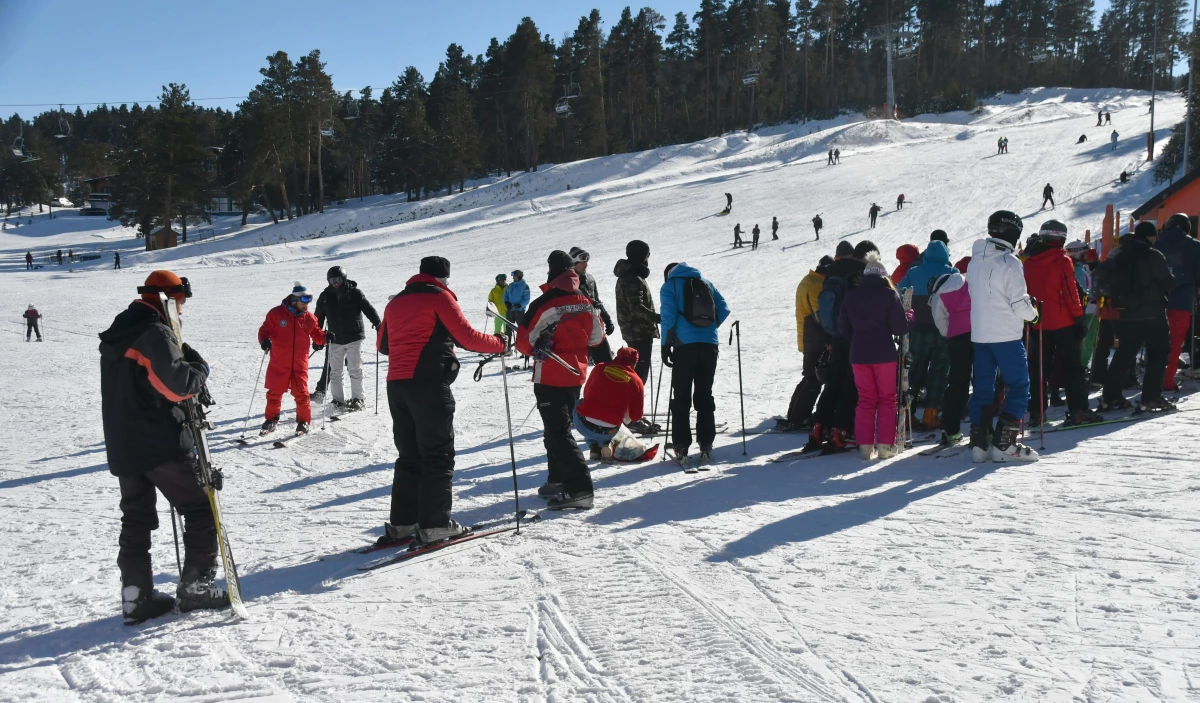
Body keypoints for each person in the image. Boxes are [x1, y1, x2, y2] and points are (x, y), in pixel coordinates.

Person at [98, 270, 228, 624]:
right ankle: (196, 589)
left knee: (136, 517)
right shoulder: (153, 332)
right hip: (158, 441)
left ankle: (135, 597)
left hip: (124, 443)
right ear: (167, 299)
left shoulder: (121, 330)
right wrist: (199, 368)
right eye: (181, 300)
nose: (183, 308)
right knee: (200, 507)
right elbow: (178, 386)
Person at [374, 256, 505, 545]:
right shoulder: (439, 297)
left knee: (409, 456)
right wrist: (499, 343)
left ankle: (403, 524)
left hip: (397, 385)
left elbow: (382, 345)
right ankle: (435, 524)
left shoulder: (395, 302)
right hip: (428, 383)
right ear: (443, 278)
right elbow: (467, 337)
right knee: (437, 454)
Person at [517, 251, 606, 509]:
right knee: (557, 428)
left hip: (551, 374)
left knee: (558, 432)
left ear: (551, 271)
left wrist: (545, 343)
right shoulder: (586, 301)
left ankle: (580, 489)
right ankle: (558, 480)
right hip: (576, 373)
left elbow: (523, 342)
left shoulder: (547, 302)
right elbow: (596, 338)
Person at [966, 211, 1040, 462]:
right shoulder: (1009, 263)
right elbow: (1019, 304)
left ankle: (979, 444)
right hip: (1006, 335)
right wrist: (1034, 314)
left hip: (980, 334)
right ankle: (1004, 445)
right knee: (1019, 385)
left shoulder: (974, 262)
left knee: (983, 389)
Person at [1022, 220, 1102, 425]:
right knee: (1073, 368)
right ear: (1060, 238)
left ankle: (1037, 412)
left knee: (1039, 369)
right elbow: (1070, 292)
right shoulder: (1062, 260)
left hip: (1038, 321)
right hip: (1063, 321)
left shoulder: (1029, 262)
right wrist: (1078, 318)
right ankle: (1078, 411)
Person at [1096, 221, 1176, 413]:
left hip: (1124, 314)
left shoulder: (1120, 255)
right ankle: (1151, 398)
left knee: (1124, 354)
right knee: (1157, 354)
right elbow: (1167, 281)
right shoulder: (1153, 255)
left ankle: (1111, 397)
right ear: (1149, 237)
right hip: (1152, 314)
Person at [839, 256, 911, 459]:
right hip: (884, 354)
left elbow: (843, 329)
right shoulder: (889, 295)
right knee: (887, 399)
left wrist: (858, 339)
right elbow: (900, 327)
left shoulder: (850, 296)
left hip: (858, 354)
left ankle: (865, 446)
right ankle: (885, 445)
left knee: (865, 400)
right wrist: (910, 317)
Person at [660, 261, 730, 468]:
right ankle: (706, 442)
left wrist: (666, 345)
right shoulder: (706, 283)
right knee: (704, 392)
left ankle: (682, 444)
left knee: (681, 395)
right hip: (710, 345)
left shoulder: (670, 286)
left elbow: (669, 317)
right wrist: (707, 328)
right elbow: (724, 309)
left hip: (684, 346)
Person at [809, 241, 877, 451]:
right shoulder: (861, 273)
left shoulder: (834, 270)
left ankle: (820, 426)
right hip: (855, 335)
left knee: (834, 382)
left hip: (835, 334)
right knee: (852, 383)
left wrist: (828, 337)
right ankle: (842, 429)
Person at [899, 239, 956, 430]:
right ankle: (931, 414)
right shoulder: (952, 273)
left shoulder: (913, 273)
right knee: (939, 372)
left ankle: (908, 413)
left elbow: (900, 294)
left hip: (918, 332)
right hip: (944, 331)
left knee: (914, 373)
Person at [257, 282, 327, 435]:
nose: (307, 305)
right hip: (279, 361)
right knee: (274, 392)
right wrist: (264, 341)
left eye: (309, 301)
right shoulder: (276, 314)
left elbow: (317, 334)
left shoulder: (309, 318)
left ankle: (303, 422)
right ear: (295, 300)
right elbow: (265, 330)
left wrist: (325, 337)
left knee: (301, 393)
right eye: (304, 301)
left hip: (299, 363)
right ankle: (271, 420)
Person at [315, 266, 381, 412]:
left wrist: (377, 323)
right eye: (332, 280)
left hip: (354, 336)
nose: (335, 283)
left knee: (354, 369)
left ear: (344, 279)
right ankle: (338, 400)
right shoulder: (325, 296)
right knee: (335, 371)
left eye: (338, 279)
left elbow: (368, 308)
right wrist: (317, 338)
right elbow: (318, 318)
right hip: (334, 338)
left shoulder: (354, 293)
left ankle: (358, 398)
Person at [785, 255, 833, 430]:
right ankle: (799, 418)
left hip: (809, 337)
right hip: (815, 338)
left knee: (809, 377)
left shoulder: (809, 280)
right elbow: (819, 315)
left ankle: (794, 415)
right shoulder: (816, 285)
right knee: (814, 379)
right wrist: (831, 332)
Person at [573, 347, 646, 463]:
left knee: (581, 404)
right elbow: (636, 416)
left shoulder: (600, 367)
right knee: (612, 420)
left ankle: (593, 447)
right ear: (635, 363)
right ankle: (606, 444)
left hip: (584, 426)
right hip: (609, 430)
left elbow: (586, 394)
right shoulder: (637, 381)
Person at [1153, 214, 1200, 391]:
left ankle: (1152, 380)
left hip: (1156, 301)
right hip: (1181, 301)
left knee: (1156, 342)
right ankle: (1167, 380)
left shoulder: (1157, 243)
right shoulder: (1195, 246)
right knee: (1175, 342)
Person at [930, 266, 972, 445]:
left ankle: (951, 429)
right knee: (984, 379)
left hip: (958, 339)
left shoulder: (938, 296)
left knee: (957, 383)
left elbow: (941, 325)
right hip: (981, 332)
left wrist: (953, 334)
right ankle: (984, 429)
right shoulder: (968, 282)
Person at [613, 239, 659, 389]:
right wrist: (657, 318)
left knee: (635, 375)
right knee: (639, 377)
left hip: (634, 331)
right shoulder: (633, 277)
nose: (648, 259)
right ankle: (632, 411)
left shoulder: (628, 275)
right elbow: (636, 307)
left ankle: (630, 410)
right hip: (639, 332)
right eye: (647, 255)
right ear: (641, 256)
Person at [570, 247, 615, 365]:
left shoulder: (589, 278)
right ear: (574, 262)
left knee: (606, 363)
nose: (586, 265)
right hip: (578, 329)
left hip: (595, 325)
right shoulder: (567, 281)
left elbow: (597, 300)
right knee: (579, 366)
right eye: (582, 262)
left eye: (586, 261)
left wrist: (607, 319)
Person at [504, 269, 531, 362]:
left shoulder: (524, 286)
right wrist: (506, 302)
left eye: (514, 275)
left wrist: (520, 305)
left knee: (521, 330)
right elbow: (505, 295)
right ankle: (507, 349)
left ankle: (523, 350)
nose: (513, 277)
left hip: (519, 311)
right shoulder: (510, 286)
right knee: (508, 330)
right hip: (510, 310)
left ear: (519, 276)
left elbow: (527, 298)